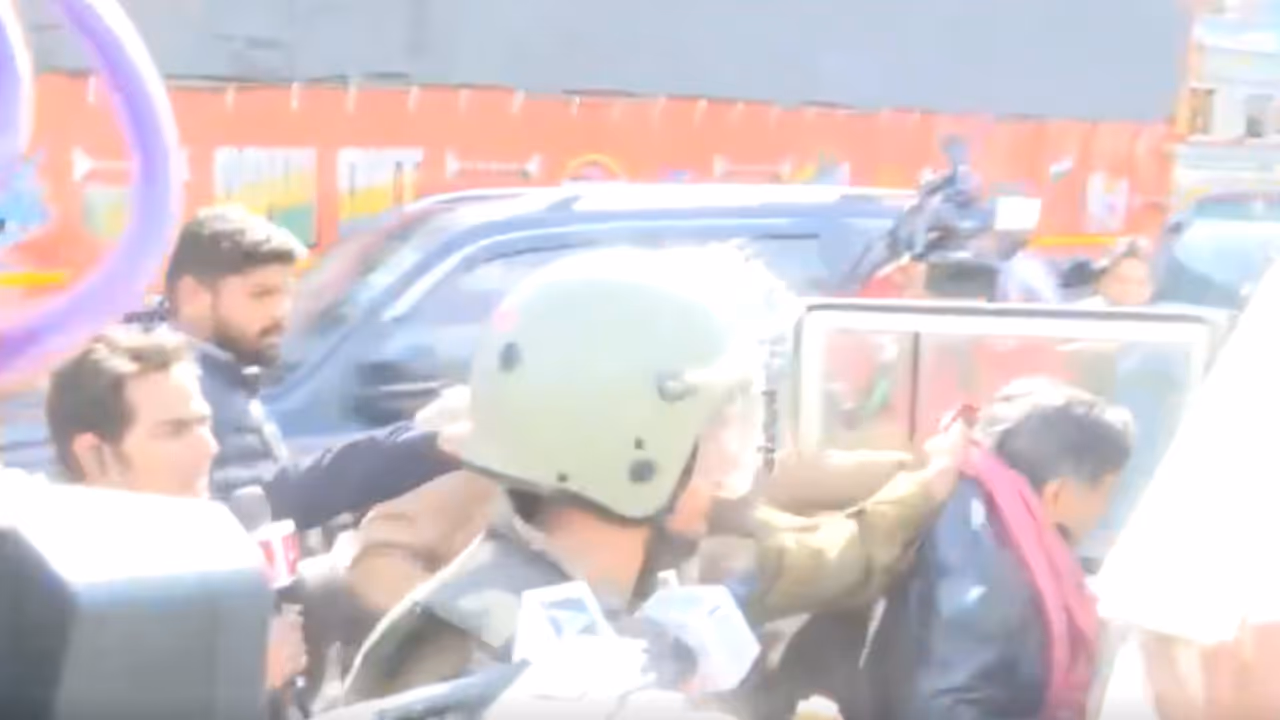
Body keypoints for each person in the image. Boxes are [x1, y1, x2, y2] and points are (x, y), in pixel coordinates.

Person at [341, 244, 968, 704]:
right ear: (634, 446)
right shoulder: (481, 651)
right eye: (712, 434)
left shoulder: (628, 587)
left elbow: (800, 553)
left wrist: (926, 483)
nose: (725, 466)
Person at [42, 327, 466, 713]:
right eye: (174, 431)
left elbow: (319, 482)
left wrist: (437, 445)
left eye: (204, 424)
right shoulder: (56, 597)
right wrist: (242, 682)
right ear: (94, 453)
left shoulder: (209, 532)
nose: (207, 448)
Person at [855, 377, 1134, 720]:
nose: (1106, 508)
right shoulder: (995, 586)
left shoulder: (975, 503)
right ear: (1057, 494)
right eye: (1107, 490)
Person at [163, 205, 452, 509]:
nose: (280, 312)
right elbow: (265, 502)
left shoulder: (217, 377)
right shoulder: (185, 392)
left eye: (285, 293)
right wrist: (421, 446)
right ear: (194, 295)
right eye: (261, 294)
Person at [1063, 236, 1153, 308]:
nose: (1131, 290)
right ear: (1099, 283)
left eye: (1140, 283)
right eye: (1122, 281)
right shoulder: (1079, 315)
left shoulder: (1156, 316)